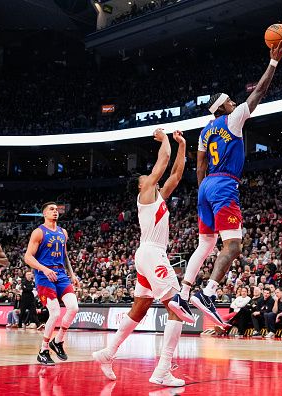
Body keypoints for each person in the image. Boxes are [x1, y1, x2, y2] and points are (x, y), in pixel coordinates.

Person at [168, 39, 282, 326]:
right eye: (230, 100)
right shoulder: (232, 119)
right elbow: (259, 91)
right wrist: (274, 62)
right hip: (223, 184)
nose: (234, 101)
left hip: (206, 186)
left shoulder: (204, 132)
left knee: (206, 243)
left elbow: (199, 164)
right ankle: (208, 292)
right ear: (222, 106)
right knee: (233, 246)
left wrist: (203, 192)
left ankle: (183, 293)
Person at [93, 129, 188, 387]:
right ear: (140, 184)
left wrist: (182, 144)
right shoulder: (145, 192)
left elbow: (176, 175)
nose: (152, 177)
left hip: (145, 255)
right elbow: (163, 160)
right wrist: (165, 139)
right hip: (153, 253)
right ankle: (163, 369)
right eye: (147, 177)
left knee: (140, 307)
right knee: (177, 307)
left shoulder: (157, 197)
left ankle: (108, 352)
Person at [24, 202, 80, 365]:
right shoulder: (38, 232)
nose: (55, 212)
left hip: (61, 274)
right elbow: (28, 257)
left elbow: (65, 255)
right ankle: (43, 350)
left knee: (74, 308)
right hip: (44, 276)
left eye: (56, 210)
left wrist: (72, 274)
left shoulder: (63, 232)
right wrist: (44, 269)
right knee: (55, 313)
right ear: (44, 214)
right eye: (51, 209)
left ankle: (58, 341)